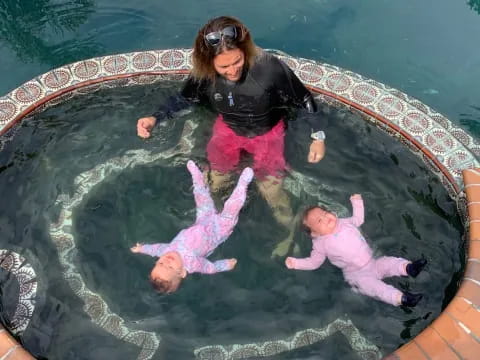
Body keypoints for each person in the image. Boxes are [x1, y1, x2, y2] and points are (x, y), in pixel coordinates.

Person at [136, 16, 326, 257]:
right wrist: (155, 117)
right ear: (209, 63)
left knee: (272, 191)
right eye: (223, 67)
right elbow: (183, 99)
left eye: (237, 61)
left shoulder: (269, 67)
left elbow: (305, 100)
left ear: (245, 50)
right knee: (216, 183)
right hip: (228, 131)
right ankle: (209, 230)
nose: (232, 70)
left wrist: (317, 136)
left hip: (267, 134)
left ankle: (289, 235)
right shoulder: (204, 75)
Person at [130, 160, 254, 293]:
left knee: (201, 197)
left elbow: (154, 249)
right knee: (232, 207)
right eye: (170, 268)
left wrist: (141, 248)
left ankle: (197, 177)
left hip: (203, 220)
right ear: (182, 273)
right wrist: (225, 265)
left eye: (161, 263)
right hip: (219, 231)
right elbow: (210, 268)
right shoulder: (192, 264)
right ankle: (243, 184)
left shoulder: (165, 251)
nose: (167, 261)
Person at [285, 194, 427, 307]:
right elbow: (314, 263)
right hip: (357, 275)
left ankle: (408, 268)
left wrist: (357, 202)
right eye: (319, 221)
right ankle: (402, 299)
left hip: (373, 262)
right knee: (378, 289)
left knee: (390, 262)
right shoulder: (320, 244)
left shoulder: (343, 222)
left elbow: (358, 220)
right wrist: (296, 263)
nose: (325, 217)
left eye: (324, 213)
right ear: (314, 233)